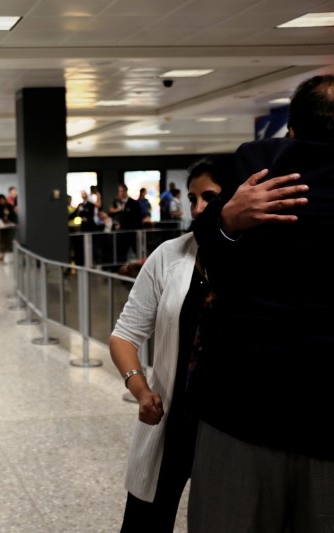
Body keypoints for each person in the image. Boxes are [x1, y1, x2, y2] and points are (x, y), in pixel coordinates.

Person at [187, 74, 334, 532]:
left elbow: (209, 249)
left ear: (290, 128)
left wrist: (227, 220)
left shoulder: (259, 168)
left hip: (245, 400)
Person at [109, 157, 228, 532]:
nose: (197, 209)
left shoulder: (256, 258)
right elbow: (125, 335)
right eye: (192, 198)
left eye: (209, 197)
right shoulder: (170, 255)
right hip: (172, 420)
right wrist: (140, 388)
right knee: (146, 521)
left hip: (230, 429)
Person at [108, 184, 142, 263]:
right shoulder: (117, 203)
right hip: (122, 234)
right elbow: (111, 213)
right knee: (121, 254)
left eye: (122, 191)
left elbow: (137, 218)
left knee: (137, 251)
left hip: (132, 232)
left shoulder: (133, 203)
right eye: (119, 191)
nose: (121, 193)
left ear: (126, 191)